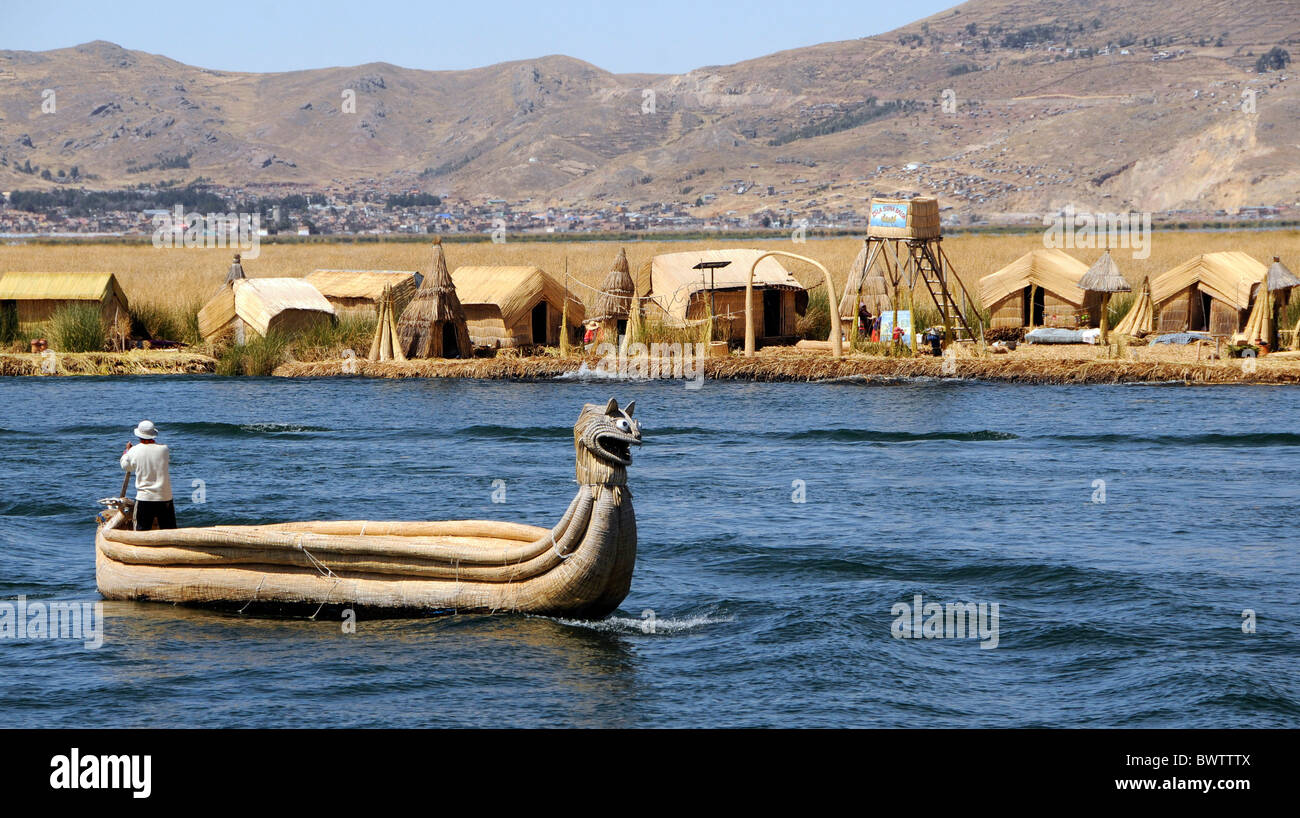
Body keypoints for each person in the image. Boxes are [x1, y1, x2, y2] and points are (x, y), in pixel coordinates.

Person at [120, 420, 176, 530]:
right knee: (169, 531)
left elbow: (126, 466)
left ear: (139, 435)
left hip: (144, 498)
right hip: (164, 497)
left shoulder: (134, 450)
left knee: (142, 532)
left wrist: (127, 452)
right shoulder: (164, 449)